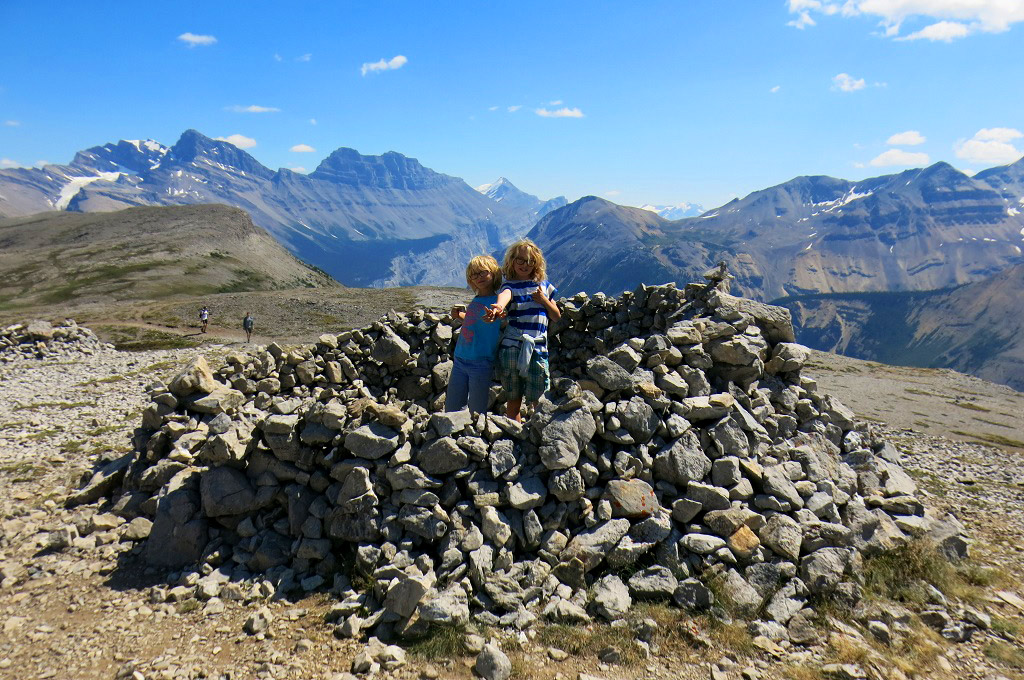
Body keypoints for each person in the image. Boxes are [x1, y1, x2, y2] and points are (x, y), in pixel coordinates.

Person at [484, 239, 560, 422]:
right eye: (521, 260)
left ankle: (536, 433)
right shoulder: (509, 286)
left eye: (530, 261)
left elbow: (556, 316)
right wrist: (498, 308)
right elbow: (504, 298)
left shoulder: (544, 287)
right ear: (512, 261)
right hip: (513, 346)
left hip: (537, 347)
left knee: (538, 396)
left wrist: (543, 300)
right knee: (513, 396)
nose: (525, 265)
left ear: (536, 263)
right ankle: (514, 433)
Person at [445, 255, 503, 414]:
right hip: (460, 358)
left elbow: (499, 319)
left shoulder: (498, 302)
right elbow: (474, 321)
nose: (478, 277)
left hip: (481, 362)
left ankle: (474, 436)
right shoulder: (476, 300)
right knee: (452, 406)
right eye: (474, 275)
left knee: (476, 410)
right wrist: (460, 316)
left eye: (483, 272)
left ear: (493, 273)